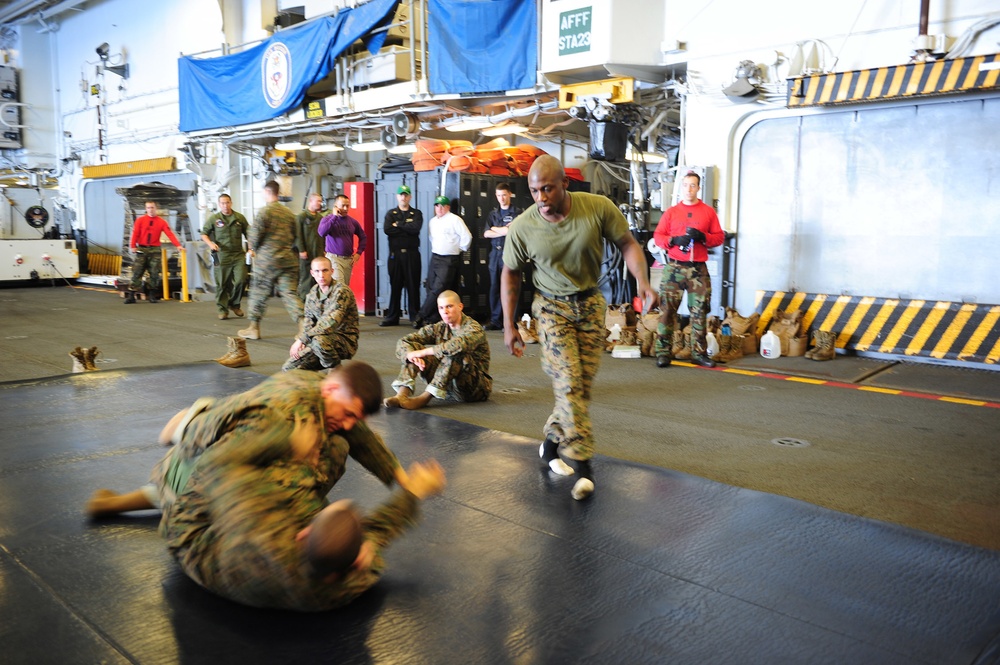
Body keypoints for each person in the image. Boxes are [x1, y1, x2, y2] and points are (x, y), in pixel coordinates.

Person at [500, 155, 657, 501]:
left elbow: (628, 243)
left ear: (565, 185)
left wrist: (642, 281)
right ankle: (585, 468)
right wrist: (509, 325)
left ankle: (549, 446)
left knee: (580, 389)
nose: (540, 197)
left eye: (547, 189)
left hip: (589, 305)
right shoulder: (524, 226)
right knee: (569, 383)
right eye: (534, 190)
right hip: (551, 309)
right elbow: (510, 273)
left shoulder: (597, 208)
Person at [85, 361, 408, 520]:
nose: (350, 423)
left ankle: (117, 501)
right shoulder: (286, 414)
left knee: (339, 437)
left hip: (185, 470)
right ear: (332, 391)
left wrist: (399, 476)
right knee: (332, 449)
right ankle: (190, 425)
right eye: (349, 413)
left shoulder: (322, 389)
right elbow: (237, 474)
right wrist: (323, 524)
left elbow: (360, 434)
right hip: (209, 482)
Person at [652, 171, 725, 369]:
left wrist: (703, 237)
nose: (689, 189)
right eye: (685, 185)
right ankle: (663, 352)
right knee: (667, 311)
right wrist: (672, 241)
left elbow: (719, 237)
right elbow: (658, 235)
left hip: (698, 269)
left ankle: (698, 353)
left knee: (699, 312)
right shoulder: (671, 212)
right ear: (681, 187)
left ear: (698, 188)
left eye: (693, 185)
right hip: (674, 267)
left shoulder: (708, 212)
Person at [384, 289, 491, 410]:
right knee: (414, 349)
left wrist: (424, 352)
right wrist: (410, 354)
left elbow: (458, 345)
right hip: (448, 385)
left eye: (449, 306)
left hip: (474, 389)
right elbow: (405, 340)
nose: (445, 312)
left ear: (460, 306)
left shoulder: (474, 328)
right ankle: (402, 394)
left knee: (456, 352)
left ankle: (425, 398)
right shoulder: (440, 327)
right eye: (441, 308)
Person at [238, 180, 304, 341]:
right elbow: (296, 236)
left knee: (258, 292)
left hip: (267, 261)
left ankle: (254, 328)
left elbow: (254, 236)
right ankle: (304, 326)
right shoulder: (289, 213)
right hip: (288, 260)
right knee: (290, 293)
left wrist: (253, 246)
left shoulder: (264, 212)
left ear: (267, 192)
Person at [283, 256, 359, 373]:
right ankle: (316, 385)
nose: (321, 275)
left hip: (344, 341)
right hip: (319, 341)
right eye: (317, 271)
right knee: (289, 368)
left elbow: (330, 322)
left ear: (332, 271)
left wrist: (302, 340)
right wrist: (305, 343)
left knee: (320, 341)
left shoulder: (341, 291)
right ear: (312, 273)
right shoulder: (312, 294)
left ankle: (336, 369)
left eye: (325, 270)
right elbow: (308, 322)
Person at [413, 196, 471, 328]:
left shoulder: (455, 219)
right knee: (430, 287)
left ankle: (421, 315)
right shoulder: (433, 221)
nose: (439, 208)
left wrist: (459, 249)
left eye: (442, 206)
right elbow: (431, 237)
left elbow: (467, 236)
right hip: (436, 256)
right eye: (437, 205)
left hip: (449, 258)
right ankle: (433, 318)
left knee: (438, 288)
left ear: (448, 207)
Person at [200, 193, 250, 320]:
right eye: (222, 203)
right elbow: (204, 233)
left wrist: (251, 248)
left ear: (231, 203)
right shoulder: (215, 219)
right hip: (222, 255)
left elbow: (249, 234)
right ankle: (222, 309)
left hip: (238, 254)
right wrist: (210, 243)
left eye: (227, 202)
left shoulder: (239, 218)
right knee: (222, 283)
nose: (225, 205)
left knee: (241, 280)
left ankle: (234, 304)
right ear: (219, 204)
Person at [379, 185, 423, 327]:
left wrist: (398, 224)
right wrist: (405, 227)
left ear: (410, 197)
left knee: (413, 286)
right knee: (395, 286)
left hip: (412, 255)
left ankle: (414, 316)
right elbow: (387, 230)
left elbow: (415, 228)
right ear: (397, 197)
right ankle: (393, 317)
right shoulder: (390, 213)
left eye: (406, 195)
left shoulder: (416, 213)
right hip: (395, 255)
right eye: (401, 195)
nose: (403, 197)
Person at [126, 200, 185, 304]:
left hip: (155, 249)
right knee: (137, 271)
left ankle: (152, 294)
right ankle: (131, 295)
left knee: (154, 273)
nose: (150, 210)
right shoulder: (140, 220)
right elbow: (135, 233)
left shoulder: (161, 222)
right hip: (142, 249)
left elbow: (170, 234)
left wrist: (178, 245)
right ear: (146, 209)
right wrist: (132, 246)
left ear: (156, 208)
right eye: (148, 208)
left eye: (152, 207)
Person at [482, 182, 523, 330]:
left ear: (510, 194)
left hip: (510, 254)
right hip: (495, 254)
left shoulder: (518, 213)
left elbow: (511, 232)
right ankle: (495, 320)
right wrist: (503, 229)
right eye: (499, 195)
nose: (502, 198)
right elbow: (486, 233)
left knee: (510, 287)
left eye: (504, 195)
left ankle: (510, 321)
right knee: (495, 287)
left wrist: (495, 228)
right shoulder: (493, 214)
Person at [318, 194, 367, 286]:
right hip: (334, 258)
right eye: (343, 205)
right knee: (339, 286)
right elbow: (322, 232)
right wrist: (334, 217)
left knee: (344, 289)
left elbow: (363, 236)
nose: (345, 208)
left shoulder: (352, 222)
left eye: (347, 206)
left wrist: (359, 253)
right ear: (336, 206)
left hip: (348, 260)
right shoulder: (327, 219)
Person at [294, 193, 328, 301]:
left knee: (318, 279)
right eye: (317, 201)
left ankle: (316, 302)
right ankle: (304, 302)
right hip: (306, 254)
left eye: (320, 201)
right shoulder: (301, 217)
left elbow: (323, 235)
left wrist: (324, 249)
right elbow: (297, 235)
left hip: (317, 253)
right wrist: (301, 250)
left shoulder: (320, 218)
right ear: (311, 201)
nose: (319, 203)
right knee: (306, 279)